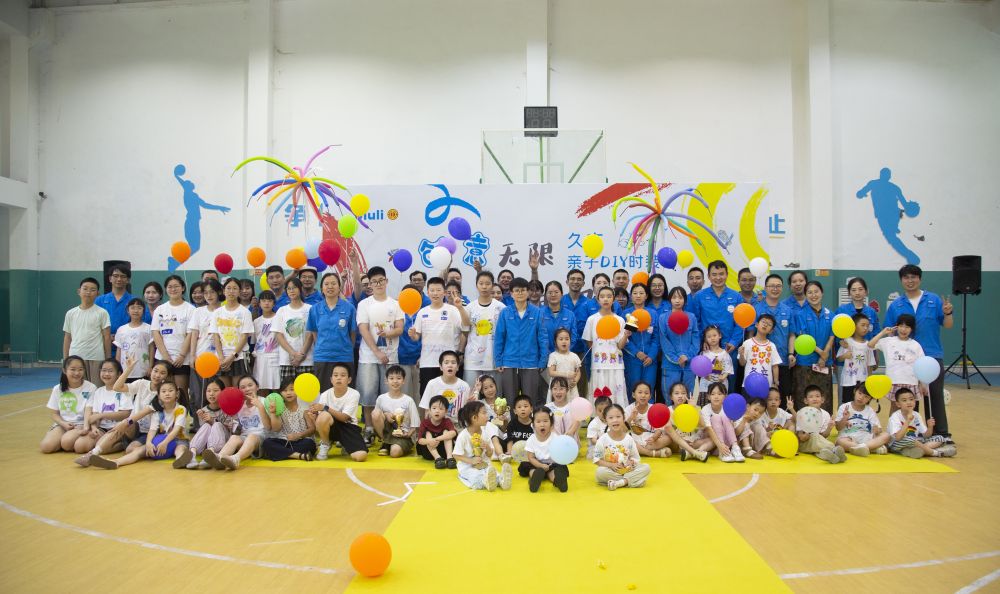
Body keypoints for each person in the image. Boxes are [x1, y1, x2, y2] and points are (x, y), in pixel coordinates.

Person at [883, 264, 954, 441]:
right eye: (906, 277)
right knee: (908, 399)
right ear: (901, 280)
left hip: (931, 357)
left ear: (920, 279)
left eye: (913, 277)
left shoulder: (934, 300)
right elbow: (890, 332)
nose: (910, 281)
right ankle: (911, 435)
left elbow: (948, 325)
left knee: (934, 395)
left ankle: (941, 433)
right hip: (906, 361)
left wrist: (948, 313)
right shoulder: (896, 305)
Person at [74, 358, 169, 467]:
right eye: (156, 371)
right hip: (134, 427)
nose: (157, 375)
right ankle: (91, 454)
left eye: (162, 373)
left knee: (130, 448)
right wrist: (129, 369)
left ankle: (130, 447)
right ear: (151, 370)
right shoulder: (142, 383)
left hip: (150, 432)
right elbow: (117, 387)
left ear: (168, 377)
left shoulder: (164, 393)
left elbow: (144, 412)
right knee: (121, 429)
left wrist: (125, 422)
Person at [89, 380, 191, 470]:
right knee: (138, 451)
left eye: (170, 391)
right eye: (163, 391)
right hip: (160, 440)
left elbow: (176, 430)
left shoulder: (180, 409)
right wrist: (149, 443)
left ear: (177, 394)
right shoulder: (157, 412)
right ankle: (116, 462)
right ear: (159, 395)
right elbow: (152, 430)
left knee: (180, 449)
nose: (167, 393)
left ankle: (180, 460)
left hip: (178, 439)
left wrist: (165, 443)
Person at [356, 266, 405, 441]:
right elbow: (363, 329)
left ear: (386, 281)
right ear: (369, 284)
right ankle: (369, 428)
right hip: (368, 357)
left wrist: (388, 334)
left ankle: (389, 431)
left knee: (390, 395)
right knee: (368, 394)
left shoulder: (396, 304)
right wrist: (376, 351)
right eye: (374, 282)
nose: (378, 284)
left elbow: (400, 328)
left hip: (390, 356)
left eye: (381, 280)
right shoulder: (364, 304)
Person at [688, 260, 742, 392]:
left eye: (721, 274)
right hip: (707, 348)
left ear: (727, 275)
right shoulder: (700, 296)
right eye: (714, 274)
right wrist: (702, 341)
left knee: (728, 386)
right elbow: (695, 323)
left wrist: (734, 342)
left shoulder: (736, 297)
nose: (718, 277)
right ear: (708, 276)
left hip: (729, 348)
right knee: (707, 386)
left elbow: (740, 323)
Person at [408, 277, 468, 393]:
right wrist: (413, 335)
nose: (435, 293)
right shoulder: (422, 312)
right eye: (432, 290)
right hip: (427, 362)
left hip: (448, 363)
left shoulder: (453, 310)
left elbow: (466, 326)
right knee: (428, 396)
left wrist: (460, 308)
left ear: (444, 292)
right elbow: (417, 337)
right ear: (428, 292)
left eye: (438, 290)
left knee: (449, 395)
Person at [493, 277, 547, 404]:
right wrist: (498, 360)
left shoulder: (537, 313)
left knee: (530, 400)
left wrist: (542, 361)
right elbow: (499, 337)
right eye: (516, 290)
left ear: (528, 292)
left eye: (523, 290)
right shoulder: (505, 313)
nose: (520, 293)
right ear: (511, 293)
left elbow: (543, 338)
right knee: (510, 400)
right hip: (509, 362)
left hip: (531, 362)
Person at [204, 375, 269, 470]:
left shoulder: (264, 401)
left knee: (252, 436)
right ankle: (219, 457)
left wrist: (260, 406)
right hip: (245, 438)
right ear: (239, 390)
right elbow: (237, 428)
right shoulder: (240, 405)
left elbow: (269, 427)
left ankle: (235, 459)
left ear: (257, 387)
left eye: (250, 385)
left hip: (262, 438)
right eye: (243, 387)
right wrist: (231, 424)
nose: (247, 389)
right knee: (234, 437)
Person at [307, 272, 357, 393]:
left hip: (344, 356)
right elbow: (314, 333)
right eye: (326, 284)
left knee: (344, 394)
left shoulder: (349, 308)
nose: (330, 286)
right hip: (322, 357)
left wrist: (346, 348)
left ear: (339, 287)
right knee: (323, 393)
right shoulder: (315, 309)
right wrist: (322, 347)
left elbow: (352, 333)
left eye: (333, 283)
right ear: (322, 288)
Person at [753, 274, 797, 407]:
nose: (775, 289)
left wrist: (791, 353)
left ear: (782, 288)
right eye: (772, 286)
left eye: (778, 286)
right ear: (765, 288)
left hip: (782, 360)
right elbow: (751, 333)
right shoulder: (757, 308)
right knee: (759, 399)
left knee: (782, 398)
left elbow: (792, 334)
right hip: (761, 361)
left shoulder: (788, 310)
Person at [309, 363, 367, 462]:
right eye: (335, 375)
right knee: (323, 416)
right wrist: (313, 417)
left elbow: (344, 418)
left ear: (349, 380)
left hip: (349, 427)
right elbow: (320, 421)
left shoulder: (354, 394)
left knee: (361, 456)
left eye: (343, 375)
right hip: (332, 428)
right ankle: (325, 443)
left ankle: (345, 444)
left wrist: (325, 407)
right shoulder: (324, 395)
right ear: (331, 379)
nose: (339, 378)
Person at [73, 359, 131, 456]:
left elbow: (126, 414)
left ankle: (122, 443)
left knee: (101, 447)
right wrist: (94, 428)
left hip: (118, 428)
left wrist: (102, 415)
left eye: (110, 371)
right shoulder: (99, 391)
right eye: (104, 370)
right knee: (80, 446)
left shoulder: (124, 390)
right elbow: (94, 415)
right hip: (102, 429)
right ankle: (107, 443)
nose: (106, 374)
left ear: (119, 374)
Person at [582, 286, 629, 407]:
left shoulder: (620, 320)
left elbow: (620, 345)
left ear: (613, 299)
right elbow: (589, 342)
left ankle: (617, 414)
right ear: (598, 300)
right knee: (599, 393)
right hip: (598, 365)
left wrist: (626, 335)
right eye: (602, 297)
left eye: (609, 296)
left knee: (616, 393)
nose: (606, 299)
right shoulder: (592, 319)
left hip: (616, 365)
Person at [868, 315, 925, 414]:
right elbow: (870, 345)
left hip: (911, 382)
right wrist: (883, 332)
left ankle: (909, 425)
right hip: (894, 381)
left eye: (907, 327)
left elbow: (921, 365)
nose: (904, 329)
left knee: (909, 410)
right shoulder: (888, 341)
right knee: (894, 409)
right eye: (901, 326)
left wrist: (922, 384)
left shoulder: (916, 345)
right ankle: (893, 425)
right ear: (896, 327)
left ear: (912, 329)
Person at [40, 356, 97, 454]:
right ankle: (64, 439)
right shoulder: (58, 389)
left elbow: (89, 410)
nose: (77, 373)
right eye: (73, 369)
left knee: (66, 443)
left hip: (80, 424)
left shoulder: (91, 387)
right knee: (46, 447)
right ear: (64, 370)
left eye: (80, 369)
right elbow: (54, 413)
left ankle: (71, 440)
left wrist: (86, 428)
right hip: (63, 424)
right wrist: (63, 424)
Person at [793, 281, 834, 412]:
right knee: (804, 398)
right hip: (805, 363)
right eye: (809, 292)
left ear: (822, 293)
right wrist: (821, 353)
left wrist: (824, 356)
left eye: (816, 291)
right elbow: (803, 337)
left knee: (824, 398)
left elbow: (832, 336)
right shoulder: (800, 314)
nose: (813, 295)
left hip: (824, 363)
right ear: (805, 295)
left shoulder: (830, 314)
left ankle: (824, 423)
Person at [151, 275, 195, 393]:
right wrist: (165, 356)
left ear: (183, 288)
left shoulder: (191, 309)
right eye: (170, 287)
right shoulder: (160, 309)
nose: (173, 289)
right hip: (162, 358)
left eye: (176, 286)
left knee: (181, 392)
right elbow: (156, 333)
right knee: (162, 392)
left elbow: (190, 334)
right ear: (166, 289)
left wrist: (181, 356)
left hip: (182, 359)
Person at [186, 278, 222, 422]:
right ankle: (198, 424)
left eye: (212, 292)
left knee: (215, 393)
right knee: (197, 393)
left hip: (219, 359)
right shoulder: (198, 311)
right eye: (205, 293)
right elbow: (194, 334)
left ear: (219, 292)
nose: (208, 296)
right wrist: (192, 355)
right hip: (201, 358)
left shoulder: (224, 311)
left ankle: (216, 423)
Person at [63, 277, 111, 383]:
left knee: (97, 387)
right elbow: (67, 337)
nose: (88, 292)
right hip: (76, 356)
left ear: (98, 293)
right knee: (77, 387)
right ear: (79, 291)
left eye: (92, 290)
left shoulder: (102, 313)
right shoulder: (70, 313)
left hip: (97, 357)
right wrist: (66, 359)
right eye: (85, 289)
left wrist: (108, 359)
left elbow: (107, 337)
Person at [594, 403, 652, 491]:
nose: (615, 420)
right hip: (610, 470)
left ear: (623, 418)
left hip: (627, 470)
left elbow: (636, 458)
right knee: (600, 472)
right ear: (606, 420)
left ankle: (620, 483)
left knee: (646, 467)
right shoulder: (602, 439)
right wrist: (611, 465)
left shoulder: (629, 439)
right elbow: (597, 460)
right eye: (611, 418)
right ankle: (632, 481)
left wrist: (631, 462)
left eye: (618, 417)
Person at [453, 401, 509, 491]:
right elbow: (456, 455)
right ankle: (486, 482)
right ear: (474, 418)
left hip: (484, 464)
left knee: (493, 473)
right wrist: (471, 461)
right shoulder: (463, 435)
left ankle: (501, 480)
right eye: (484, 413)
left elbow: (489, 454)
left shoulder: (485, 432)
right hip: (468, 467)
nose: (487, 416)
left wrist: (487, 447)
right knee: (476, 476)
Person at [259, 378, 317, 462]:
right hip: (284, 441)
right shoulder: (279, 408)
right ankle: (299, 455)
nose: (288, 393)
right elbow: (276, 429)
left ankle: (282, 453)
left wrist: (298, 435)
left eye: (292, 389)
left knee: (310, 444)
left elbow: (312, 429)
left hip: (301, 441)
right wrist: (273, 413)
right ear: (280, 393)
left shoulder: (304, 408)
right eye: (285, 390)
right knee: (267, 443)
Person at [463, 270, 505, 386]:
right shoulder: (470, 307)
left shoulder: (501, 308)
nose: (484, 287)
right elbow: (465, 332)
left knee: (495, 394)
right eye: (481, 283)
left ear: (492, 285)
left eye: (487, 283)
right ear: (476, 285)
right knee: (472, 393)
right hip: (473, 360)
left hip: (494, 360)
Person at [887, 388, 956, 458]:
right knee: (910, 439)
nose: (909, 402)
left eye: (911, 399)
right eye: (904, 400)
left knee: (940, 438)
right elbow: (898, 437)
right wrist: (908, 420)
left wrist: (930, 427)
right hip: (896, 444)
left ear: (915, 401)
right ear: (898, 404)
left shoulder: (917, 415)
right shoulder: (895, 416)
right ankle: (936, 453)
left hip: (915, 442)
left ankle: (916, 451)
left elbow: (926, 435)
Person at [185, 378, 237, 469]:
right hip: (207, 445)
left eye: (215, 390)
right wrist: (205, 420)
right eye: (208, 391)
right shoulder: (204, 410)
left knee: (216, 424)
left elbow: (232, 430)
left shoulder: (228, 407)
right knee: (206, 425)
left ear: (223, 392)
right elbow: (204, 433)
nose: (211, 394)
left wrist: (213, 421)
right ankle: (192, 454)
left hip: (224, 444)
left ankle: (210, 454)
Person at [211, 278, 254, 387]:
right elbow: (215, 336)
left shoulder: (245, 312)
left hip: (239, 357)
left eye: (235, 288)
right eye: (228, 288)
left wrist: (232, 356)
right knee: (224, 391)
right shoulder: (217, 312)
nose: (231, 291)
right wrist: (221, 358)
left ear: (239, 292)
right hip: (221, 358)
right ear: (223, 291)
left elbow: (244, 337)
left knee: (237, 390)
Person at [659, 286, 699, 398]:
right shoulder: (663, 318)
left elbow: (696, 339)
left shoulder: (691, 317)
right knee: (670, 397)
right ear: (670, 300)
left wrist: (687, 356)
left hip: (689, 364)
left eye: (680, 298)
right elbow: (664, 341)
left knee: (688, 396)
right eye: (674, 297)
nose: (677, 300)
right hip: (670, 365)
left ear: (685, 300)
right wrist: (677, 359)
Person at [372, 365, 420, 458]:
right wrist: (386, 414)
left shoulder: (408, 400)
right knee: (375, 413)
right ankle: (385, 442)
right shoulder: (381, 398)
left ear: (403, 381)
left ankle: (394, 446)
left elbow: (415, 425)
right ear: (386, 381)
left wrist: (407, 435)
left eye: (398, 378)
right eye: (391, 378)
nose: (395, 381)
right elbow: (376, 417)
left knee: (395, 453)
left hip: (403, 434)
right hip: (386, 431)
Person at [274, 277, 315, 384]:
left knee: (306, 391)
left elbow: (311, 334)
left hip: (307, 360)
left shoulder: (310, 309)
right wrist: (293, 354)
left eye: (294, 288)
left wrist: (301, 354)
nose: (291, 291)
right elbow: (279, 335)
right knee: (288, 390)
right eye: (289, 288)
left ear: (300, 289)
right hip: (287, 360)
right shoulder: (282, 310)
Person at [623, 283, 659, 398]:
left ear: (646, 296)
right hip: (632, 359)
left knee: (649, 389)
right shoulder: (626, 314)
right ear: (631, 296)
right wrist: (636, 352)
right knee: (633, 389)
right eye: (635, 293)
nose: (638, 296)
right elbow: (625, 338)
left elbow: (656, 337)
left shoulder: (653, 313)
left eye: (641, 293)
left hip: (650, 360)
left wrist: (651, 356)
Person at [834, 384, 890, 457]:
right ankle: (871, 448)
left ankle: (861, 448)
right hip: (848, 437)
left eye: (866, 397)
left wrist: (877, 430)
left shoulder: (870, 410)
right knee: (840, 442)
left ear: (870, 399)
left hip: (866, 438)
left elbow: (878, 429)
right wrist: (844, 418)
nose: (861, 398)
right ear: (855, 391)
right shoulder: (844, 407)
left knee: (886, 435)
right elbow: (838, 428)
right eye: (859, 393)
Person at [795, 384, 845, 464]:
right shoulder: (802, 413)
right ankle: (833, 450)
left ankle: (831, 456)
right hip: (805, 444)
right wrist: (806, 434)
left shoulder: (826, 414)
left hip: (819, 443)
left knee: (821, 450)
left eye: (817, 396)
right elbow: (801, 437)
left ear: (822, 399)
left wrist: (829, 428)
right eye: (811, 397)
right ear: (806, 400)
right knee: (815, 437)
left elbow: (825, 436)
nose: (815, 399)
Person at [525, 407, 568, 493]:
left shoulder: (555, 438)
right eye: (538, 422)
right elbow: (531, 457)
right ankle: (534, 480)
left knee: (554, 471)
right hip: (537, 464)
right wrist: (540, 465)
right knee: (531, 469)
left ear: (551, 424)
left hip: (552, 464)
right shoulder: (531, 439)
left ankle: (558, 481)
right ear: (533, 425)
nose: (542, 424)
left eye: (545, 421)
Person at [418, 351, 470, 422]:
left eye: (453, 363)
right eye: (446, 362)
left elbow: (467, 411)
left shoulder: (464, 386)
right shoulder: (432, 384)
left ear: (458, 367)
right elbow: (427, 411)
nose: (450, 365)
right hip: (437, 424)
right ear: (441, 367)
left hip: (458, 424)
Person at [836, 313, 876, 405]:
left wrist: (869, 382)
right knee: (848, 405)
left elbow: (870, 365)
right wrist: (845, 356)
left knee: (862, 406)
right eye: (863, 325)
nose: (865, 328)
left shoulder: (868, 344)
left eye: (867, 326)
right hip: (848, 381)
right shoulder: (847, 342)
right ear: (854, 326)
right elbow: (839, 359)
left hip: (863, 381)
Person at [623, 382, 672, 457]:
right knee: (625, 441)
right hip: (634, 441)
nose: (643, 395)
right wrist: (631, 417)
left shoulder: (654, 408)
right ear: (633, 395)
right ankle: (651, 453)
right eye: (640, 392)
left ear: (650, 396)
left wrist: (654, 438)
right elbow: (623, 430)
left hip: (650, 442)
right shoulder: (628, 409)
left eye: (646, 393)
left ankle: (641, 451)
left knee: (669, 438)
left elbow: (659, 429)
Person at [701, 381, 744, 463]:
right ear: (708, 397)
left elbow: (735, 431)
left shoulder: (728, 408)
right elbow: (709, 429)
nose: (716, 397)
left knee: (725, 417)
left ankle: (735, 448)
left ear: (725, 396)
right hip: (712, 441)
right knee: (716, 417)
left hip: (727, 442)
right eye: (713, 394)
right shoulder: (705, 409)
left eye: (720, 394)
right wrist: (720, 445)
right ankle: (723, 452)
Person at [738, 313, 782, 392]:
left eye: (769, 324)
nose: (765, 325)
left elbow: (775, 366)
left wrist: (776, 381)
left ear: (771, 331)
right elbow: (742, 363)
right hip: (749, 384)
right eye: (763, 322)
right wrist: (741, 354)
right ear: (756, 324)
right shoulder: (747, 343)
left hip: (766, 385)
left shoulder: (772, 346)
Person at [94, 265, 134, 346]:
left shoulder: (134, 301)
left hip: (128, 344)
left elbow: (141, 323)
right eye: (115, 276)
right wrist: (106, 336)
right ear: (110, 279)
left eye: (123, 276)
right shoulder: (99, 300)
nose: (119, 279)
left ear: (128, 280)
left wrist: (121, 336)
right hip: (103, 344)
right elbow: (93, 324)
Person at [114, 298, 152, 381]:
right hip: (125, 370)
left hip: (143, 369)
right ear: (128, 310)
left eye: (139, 308)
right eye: (132, 308)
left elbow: (151, 349)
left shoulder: (148, 328)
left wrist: (150, 366)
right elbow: (119, 350)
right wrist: (117, 368)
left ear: (143, 311)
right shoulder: (121, 329)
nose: (136, 311)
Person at [540, 281, 577, 363]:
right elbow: (537, 337)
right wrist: (548, 355)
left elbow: (573, 337)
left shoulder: (570, 315)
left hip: (565, 358)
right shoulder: (539, 313)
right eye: (550, 292)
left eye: (556, 292)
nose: (553, 295)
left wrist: (562, 353)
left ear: (562, 294)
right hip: (545, 358)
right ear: (545, 295)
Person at [396, 283, 422, 400]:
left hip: (419, 361)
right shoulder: (397, 315)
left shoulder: (422, 314)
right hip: (402, 359)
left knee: (418, 395)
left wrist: (422, 356)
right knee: (404, 395)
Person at [417, 395, 458, 468]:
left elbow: (453, 433)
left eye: (441, 408)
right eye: (434, 408)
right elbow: (420, 440)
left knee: (446, 431)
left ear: (446, 411)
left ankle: (450, 458)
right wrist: (429, 441)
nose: (437, 411)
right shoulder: (425, 423)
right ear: (429, 410)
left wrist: (436, 439)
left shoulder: (447, 421)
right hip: (429, 453)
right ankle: (437, 458)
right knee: (427, 433)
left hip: (444, 452)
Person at [695, 325, 732, 406]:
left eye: (714, 335)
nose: (712, 338)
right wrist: (704, 375)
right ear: (705, 339)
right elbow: (699, 368)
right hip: (705, 386)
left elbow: (728, 368)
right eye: (709, 337)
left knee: (720, 407)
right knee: (705, 407)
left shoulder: (725, 353)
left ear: (720, 336)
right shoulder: (703, 354)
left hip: (721, 385)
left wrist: (724, 376)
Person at [252, 291, 280, 391]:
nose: (266, 303)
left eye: (269, 300)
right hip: (260, 358)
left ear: (274, 303)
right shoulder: (256, 321)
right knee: (260, 387)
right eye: (263, 300)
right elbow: (254, 341)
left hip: (275, 357)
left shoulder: (279, 318)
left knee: (276, 386)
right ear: (259, 303)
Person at [547, 328, 581, 402]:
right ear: (555, 341)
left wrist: (575, 381)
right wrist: (566, 374)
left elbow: (578, 372)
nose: (564, 341)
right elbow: (551, 372)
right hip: (558, 387)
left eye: (567, 339)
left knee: (572, 405)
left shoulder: (574, 356)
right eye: (561, 339)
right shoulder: (553, 356)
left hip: (570, 387)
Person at [545, 377, 580, 447]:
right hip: (553, 443)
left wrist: (570, 432)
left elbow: (577, 421)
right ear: (551, 390)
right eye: (555, 389)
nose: (558, 392)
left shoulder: (573, 406)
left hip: (570, 442)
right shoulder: (547, 407)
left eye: (561, 389)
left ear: (567, 390)